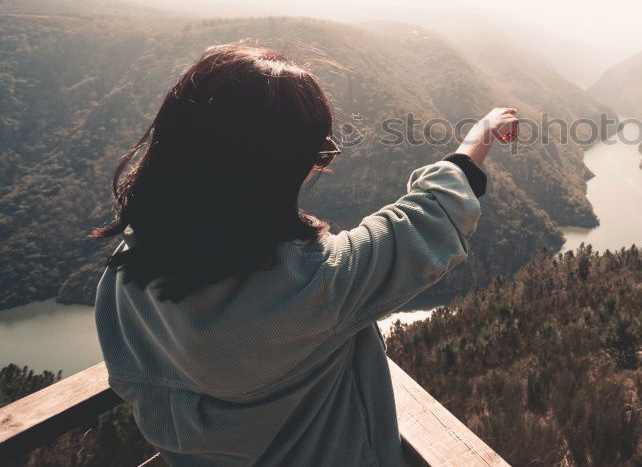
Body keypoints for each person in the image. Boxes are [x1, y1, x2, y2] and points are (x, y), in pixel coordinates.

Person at [92, 43, 518, 466]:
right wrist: (480, 133)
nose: (315, 168)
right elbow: (426, 218)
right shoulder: (313, 288)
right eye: (316, 154)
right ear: (273, 170)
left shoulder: (125, 272)